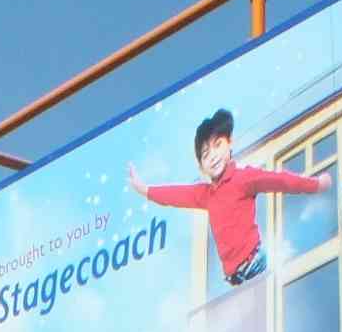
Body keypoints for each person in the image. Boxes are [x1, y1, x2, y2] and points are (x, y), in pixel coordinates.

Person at [128, 108, 330, 287]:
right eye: (206, 154)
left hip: (255, 264)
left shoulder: (244, 178)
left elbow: (280, 181)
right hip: (235, 278)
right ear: (201, 166)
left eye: (218, 145)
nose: (213, 156)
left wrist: (315, 184)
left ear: (229, 143)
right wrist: (144, 189)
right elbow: (175, 194)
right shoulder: (205, 194)